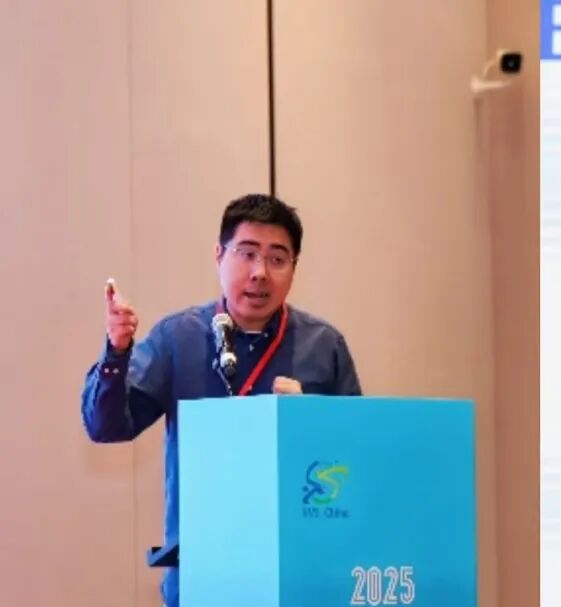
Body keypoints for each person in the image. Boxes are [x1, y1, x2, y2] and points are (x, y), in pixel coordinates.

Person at [81, 194, 362, 607]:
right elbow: (106, 426)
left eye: (277, 259)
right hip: (204, 575)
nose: (260, 272)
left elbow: (355, 461)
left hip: (300, 576)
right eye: (246, 254)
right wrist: (116, 353)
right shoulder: (178, 338)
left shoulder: (323, 347)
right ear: (219, 255)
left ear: (294, 267)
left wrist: (309, 423)